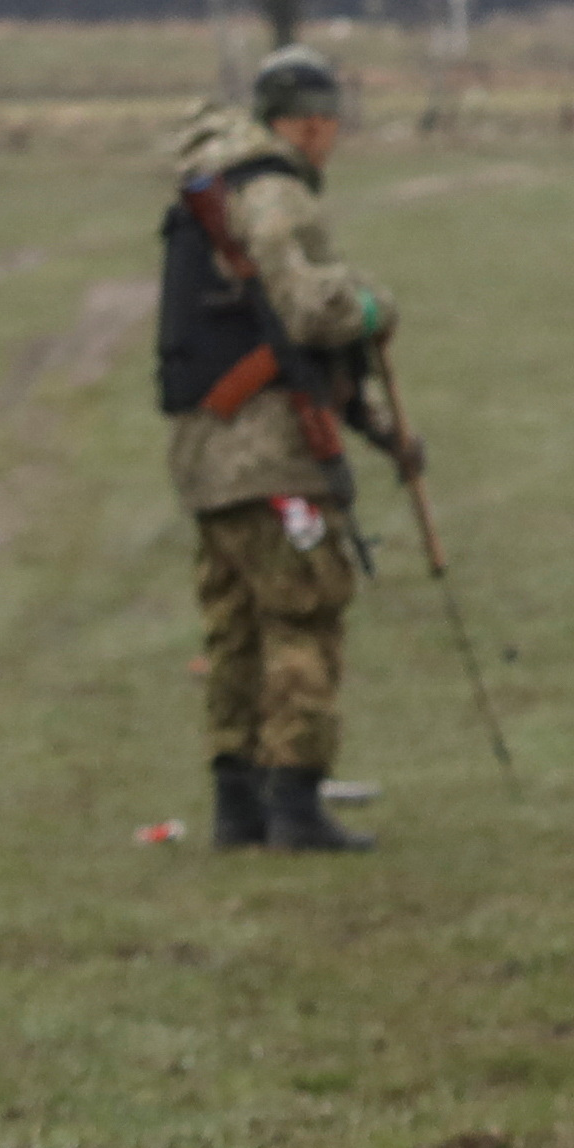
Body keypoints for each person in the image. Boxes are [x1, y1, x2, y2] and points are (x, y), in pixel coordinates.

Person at [159, 44, 409, 854]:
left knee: (232, 630)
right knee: (302, 614)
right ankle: (296, 802)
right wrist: (371, 308)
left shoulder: (211, 188)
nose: (333, 140)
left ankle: (238, 806)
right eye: (330, 124)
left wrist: (377, 432)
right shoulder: (274, 194)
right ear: (308, 123)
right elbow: (306, 315)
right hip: (271, 452)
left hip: (205, 455)